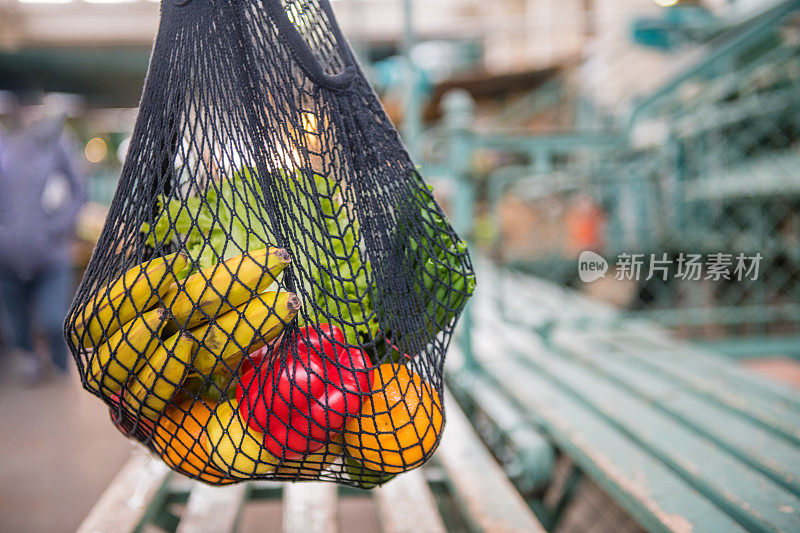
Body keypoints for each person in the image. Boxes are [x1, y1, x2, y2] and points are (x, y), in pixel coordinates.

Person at [0, 104, 86, 383]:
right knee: (16, 323)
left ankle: (62, 368)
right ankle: (30, 359)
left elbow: (78, 191)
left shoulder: (57, 143)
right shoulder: (4, 144)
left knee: (53, 319)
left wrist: (58, 226)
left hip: (52, 257)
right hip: (7, 259)